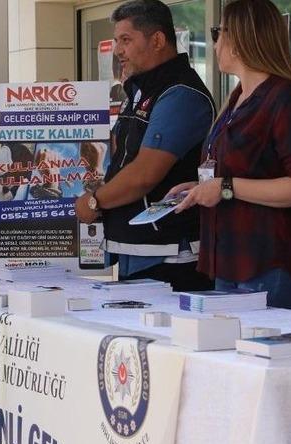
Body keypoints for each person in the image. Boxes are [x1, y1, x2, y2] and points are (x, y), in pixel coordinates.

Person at [170, 0, 291, 310]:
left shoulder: (285, 99)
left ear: (239, 38)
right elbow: (239, 171)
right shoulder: (237, 97)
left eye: (218, 32)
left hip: (268, 262)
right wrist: (201, 187)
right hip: (229, 257)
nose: (214, 43)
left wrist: (225, 187)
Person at [74, 0, 216, 292]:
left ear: (158, 40)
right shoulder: (139, 90)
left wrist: (94, 201)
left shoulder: (181, 94)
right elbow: (120, 159)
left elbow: (144, 174)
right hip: (136, 250)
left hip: (170, 257)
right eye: (116, 41)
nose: (118, 50)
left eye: (126, 40)